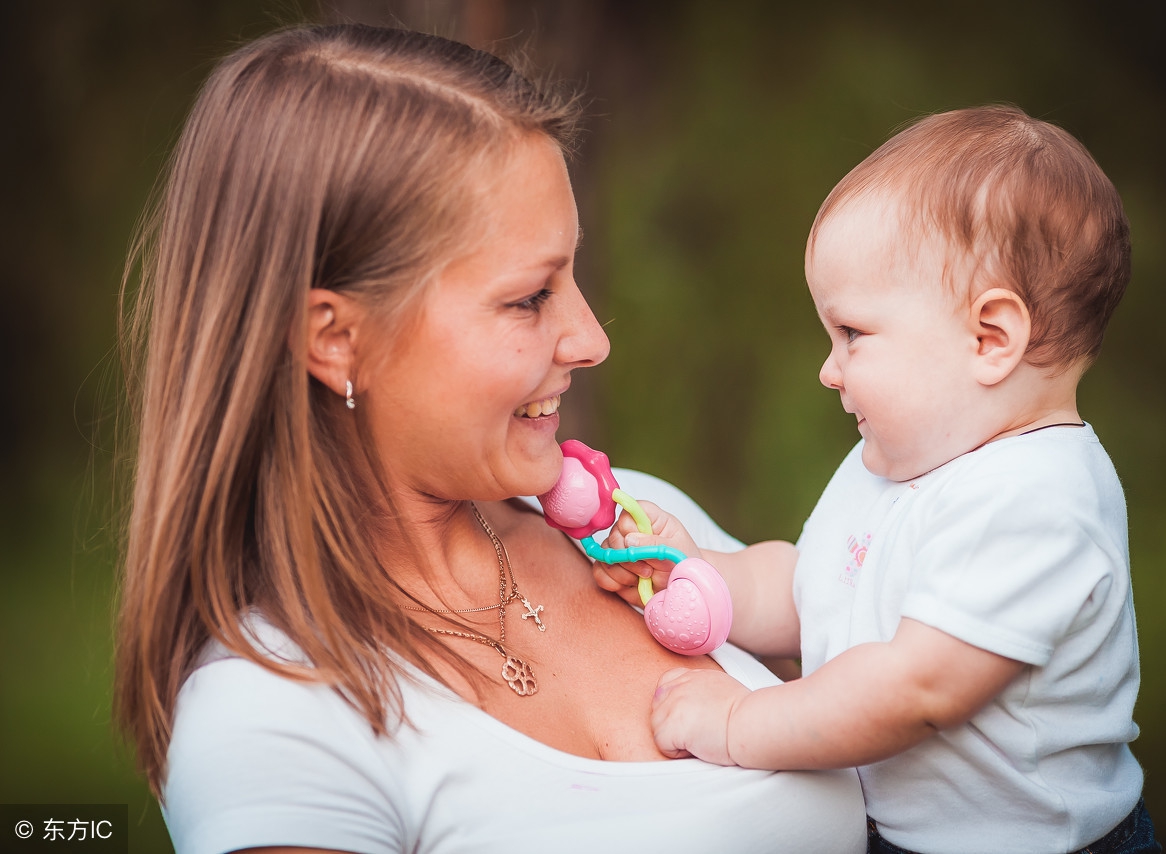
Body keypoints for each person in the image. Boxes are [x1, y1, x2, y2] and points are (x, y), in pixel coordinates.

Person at [113, 23, 867, 854]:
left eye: (572, 276)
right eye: (528, 298)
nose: (590, 340)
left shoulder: (639, 527)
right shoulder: (269, 727)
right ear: (333, 339)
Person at [594, 106, 1160, 854]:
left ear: (991, 338)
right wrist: (699, 572)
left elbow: (915, 689)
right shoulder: (901, 457)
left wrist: (740, 724)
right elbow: (814, 592)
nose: (828, 371)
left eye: (853, 334)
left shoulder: (1038, 500)